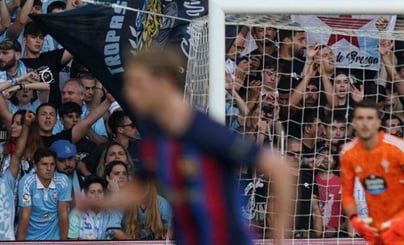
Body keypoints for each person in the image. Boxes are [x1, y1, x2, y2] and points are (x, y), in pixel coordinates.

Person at [101, 46, 294, 245]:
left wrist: (279, 237)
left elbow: (279, 168)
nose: (129, 93)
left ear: (164, 82)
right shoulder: (153, 133)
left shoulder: (203, 130)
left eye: (137, 84)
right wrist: (98, 203)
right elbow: (138, 187)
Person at [340, 99, 404, 245]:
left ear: (377, 123)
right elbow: (347, 193)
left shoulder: (400, 149)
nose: (365, 123)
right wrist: (354, 219)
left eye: (369, 118)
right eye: (360, 118)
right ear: (353, 123)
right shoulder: (348, 153)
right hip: (373, 229)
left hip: (402, 228)